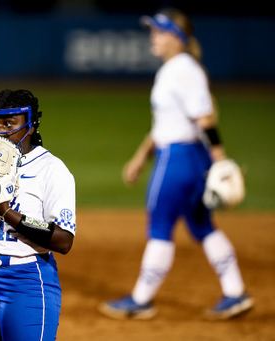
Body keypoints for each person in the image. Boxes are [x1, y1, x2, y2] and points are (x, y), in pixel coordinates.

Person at [98, 8, 254, 321]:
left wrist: (221, 159)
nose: (153, 37)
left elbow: (205, 118)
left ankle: (141, 299)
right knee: (201, 225)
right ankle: (235, 292)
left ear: (177, 37)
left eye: (159, 32)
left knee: (159, 225)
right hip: (188, 156)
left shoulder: (182, 70)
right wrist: (141, 156)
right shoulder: (177, 68)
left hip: (178, 159)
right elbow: (164, 123)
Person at [0, 89, 76, 340]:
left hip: (25, 278)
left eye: (9, 123)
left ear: (31, 125)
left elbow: (63, 240)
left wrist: (7, 212)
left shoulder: (51, 169)